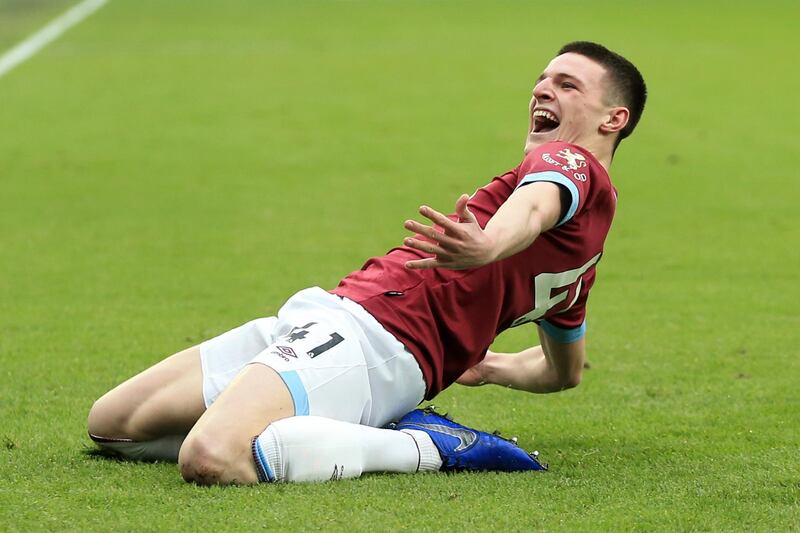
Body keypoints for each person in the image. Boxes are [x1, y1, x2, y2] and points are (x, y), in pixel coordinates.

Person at [87, 41, 647, 484]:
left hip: (374, 345)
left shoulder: (568, 162)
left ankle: (427, 446)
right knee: (114, 428)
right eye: (542, 79)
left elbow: (530, 209)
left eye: (567, 84)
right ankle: (350, 419)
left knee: (212, 457)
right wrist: (483, 363)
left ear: (612, 119)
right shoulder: (579, 262)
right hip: (335, 317)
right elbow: (560, 372)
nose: (541, 89)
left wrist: (487, 245)